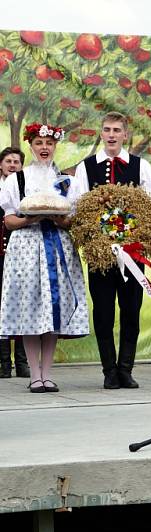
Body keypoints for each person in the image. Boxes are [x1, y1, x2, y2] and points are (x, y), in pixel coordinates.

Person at [69, 111, 151, 390]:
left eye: (116, 130)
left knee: (131, 309)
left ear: (125, 134)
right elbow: (78, 206)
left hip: (132, 253)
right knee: (104, 311)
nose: (111, 134)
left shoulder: (140, 166)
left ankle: (126, 368)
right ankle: (109, 370)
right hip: (101, 254)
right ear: (101, 133)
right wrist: (96, 239)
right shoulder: (87, 168)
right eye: (107, 129)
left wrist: (137, 236)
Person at [0, 123, 89, 392]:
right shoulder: (18, 179)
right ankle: (33, 375)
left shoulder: (66, 181)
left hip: (58, 246)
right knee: (30, 306)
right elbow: (9, 220)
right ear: (31, 146)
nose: (44, 148)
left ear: (55, 146)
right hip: (26, 246)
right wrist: (32, 217)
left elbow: (72, 220)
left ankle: (47, 373)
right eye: (39, 143)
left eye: (49, 143)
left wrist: (58, 219)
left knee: (54, 310)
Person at [0, 147, 29, 378]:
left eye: (17, 162)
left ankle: (22, 362)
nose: (12, 165)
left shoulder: (26, 188)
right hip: (0, 255)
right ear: (1, 165)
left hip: (21, 255)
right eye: (8, 161)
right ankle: (3, 363)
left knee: (22, 305)